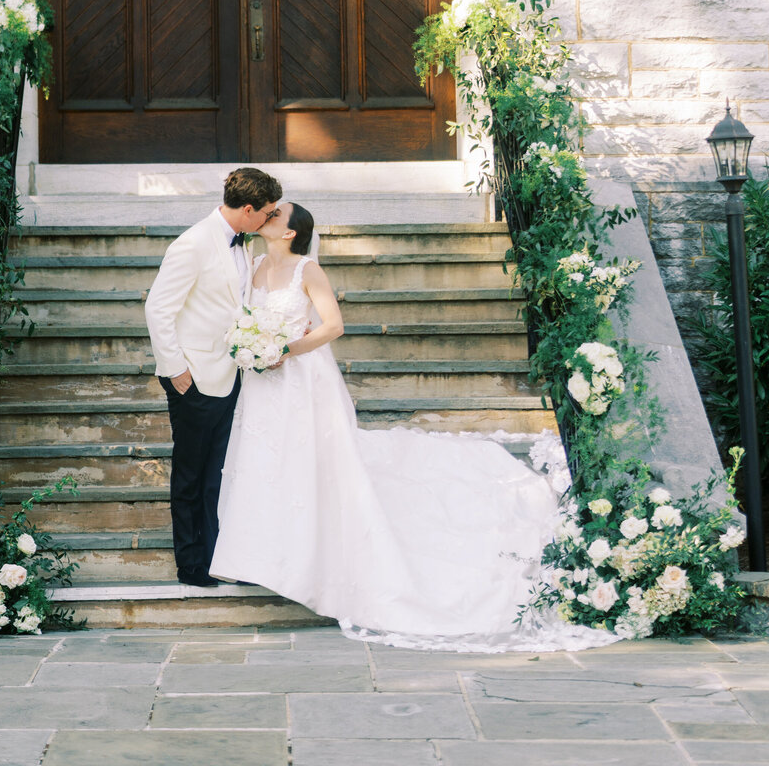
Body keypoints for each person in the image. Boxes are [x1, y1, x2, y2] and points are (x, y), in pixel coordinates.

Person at [211, 201, 613, 651]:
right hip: (264, 382)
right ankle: (262, 553)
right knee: (265, 459)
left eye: (276, 214)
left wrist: (287, 348)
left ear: (290, 232)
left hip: (302, 375)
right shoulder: (255, 261)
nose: (267, 215)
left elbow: (334, 326)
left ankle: (305, 558)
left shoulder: (308, 270)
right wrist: (252, 345)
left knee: (309, 460)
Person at [143, 165, 282, 588]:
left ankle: (219, 558)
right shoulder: (193, 243)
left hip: (231, 375)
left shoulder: (241, 245)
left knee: (218, 475)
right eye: (268, 213)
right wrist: (176, 371)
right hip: (195, 378)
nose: (271, 220)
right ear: (247, 209)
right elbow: (158, 309)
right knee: (190, 475)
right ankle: (190, 564)